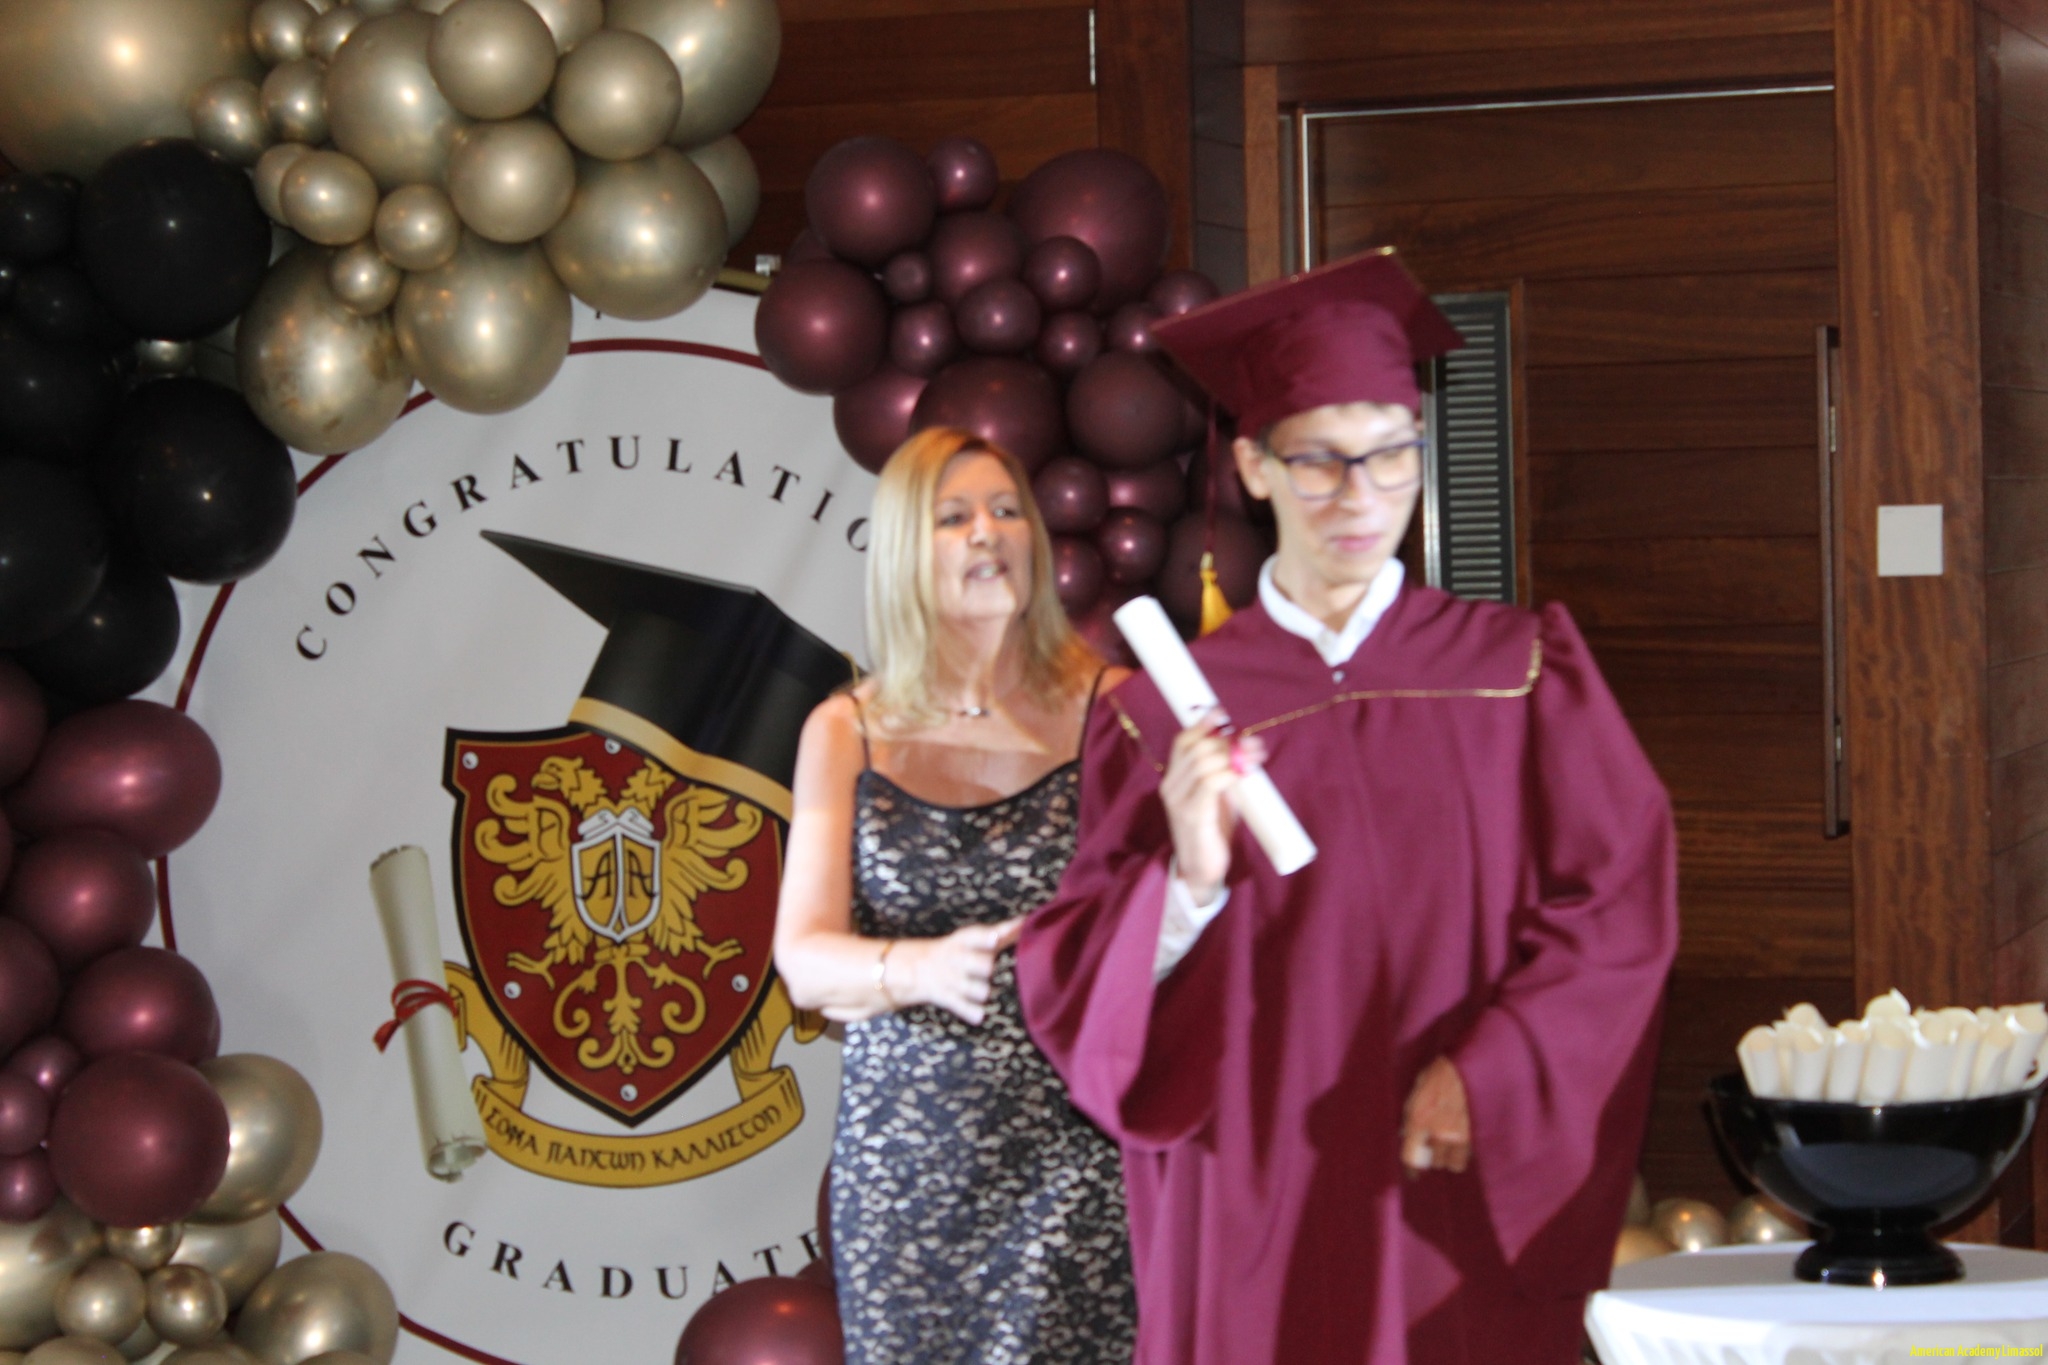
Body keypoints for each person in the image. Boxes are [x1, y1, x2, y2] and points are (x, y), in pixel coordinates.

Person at [1015, 248, 1679, 1365]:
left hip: (1446, 1172)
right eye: (1319, 461)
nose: (1360, 496)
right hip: (1250, 1182)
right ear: (1254, 467)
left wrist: (1496, 1070)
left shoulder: (1519, 672)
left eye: (1391, 453)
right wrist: (1185, 879)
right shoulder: (1162, 713)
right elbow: (1075, 976)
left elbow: (1618, 904)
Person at [772, 426, 1137, 1365]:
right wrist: (921, 968)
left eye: (1008, 511)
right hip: (906, 1175)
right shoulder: (846, 727)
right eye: (955, 516)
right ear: (905, 549)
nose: (988, 532)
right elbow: (803, 960)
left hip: (1076, 1158)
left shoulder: (1117, 710)